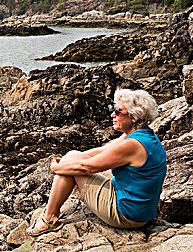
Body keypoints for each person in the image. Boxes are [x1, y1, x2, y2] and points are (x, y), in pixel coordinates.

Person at [27, 89, 167, 236]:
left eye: (118, 111)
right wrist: (70, 158)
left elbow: (86, 167)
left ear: (135, 117)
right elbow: (103, 151)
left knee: (70, 167)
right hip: (142, 212)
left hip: (126, 215)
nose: (113, 115)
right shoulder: (142, 135)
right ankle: (51, 213)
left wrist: (56, 168)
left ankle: (48, 219)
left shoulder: (132, 145)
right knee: (71, 158)